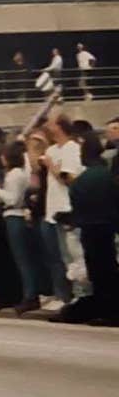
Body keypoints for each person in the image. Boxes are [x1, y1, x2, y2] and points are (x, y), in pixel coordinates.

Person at [59, 133, 119, 325]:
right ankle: (110, 310)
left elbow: (77, 206)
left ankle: (105, 310)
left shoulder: (82, 180)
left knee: (99, 273)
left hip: (89, 230)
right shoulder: (107, 176)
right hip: (108, 228)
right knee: (108, 270)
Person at [0, 142, 40, 314]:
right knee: (25, 258)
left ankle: (30, 295)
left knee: (22, 258)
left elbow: (12, 199)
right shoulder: (20, 173)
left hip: (14, 215)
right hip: (18, 216)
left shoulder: (14, 175)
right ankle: (30, 293)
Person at [40, 115, 83, 309]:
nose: (47, 126)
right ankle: (66, 296)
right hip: (53, 210)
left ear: (59, 127)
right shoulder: (50, 149)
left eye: (51, 123)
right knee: (60, 257)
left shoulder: (72, 149)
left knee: (75, 255)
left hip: (68, 208)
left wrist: (52, 167)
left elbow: (69, 178)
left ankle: (81, 293)